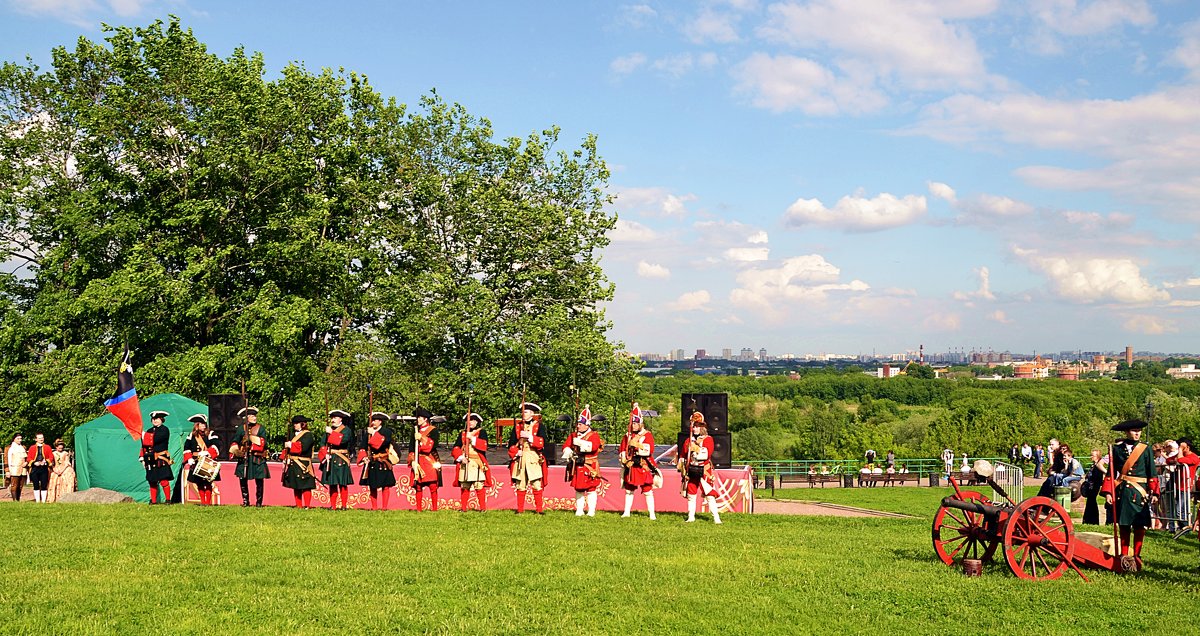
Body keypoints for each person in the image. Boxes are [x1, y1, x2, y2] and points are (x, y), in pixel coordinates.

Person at [1102, 419, 1160, 570]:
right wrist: (1109, 491)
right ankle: (1124, 558)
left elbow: (1152, 472)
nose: (1137, 433)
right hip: (1124, 491)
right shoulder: (1117, 449)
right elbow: (1110, 472)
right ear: (1127, 432)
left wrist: (1154, 492)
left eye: (1139, 431)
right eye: (1134, 430)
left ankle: (1137, 557)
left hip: (1140, 491)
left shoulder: (1145, 448)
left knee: (1140, 526)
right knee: (1124, 525)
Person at [678, 412, 721, 524]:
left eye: (697, 426)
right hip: (691, 469)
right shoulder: (688, 440)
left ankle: (716, 518)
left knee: (709, 495)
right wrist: (681, 465)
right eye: (694, 426)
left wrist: (695, 448)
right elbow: (683, 455)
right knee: (691, 494)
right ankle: (691, 516)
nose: (694, 428)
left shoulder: (708, 439)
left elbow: (705, 455)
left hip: (704, 470)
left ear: (702, 427)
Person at [562, 405, 604, 517]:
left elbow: (593, 447)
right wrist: (569, 452)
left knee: (591, 488)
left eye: (580, 424)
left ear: (587, 425)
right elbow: (566, 446)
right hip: (578, 465)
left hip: (589, 465)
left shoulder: (594, 435)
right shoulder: (574, 435)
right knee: (579, 488)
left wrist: (579, 443)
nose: (578, 426)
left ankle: (591, 511)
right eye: (578, 424)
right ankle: (579, 510)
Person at [508, 402, 548, 514]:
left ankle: (539, 510)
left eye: (525, 412)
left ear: (531, 413)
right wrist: (516, 452)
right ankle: (520, 510)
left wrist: (530, 437)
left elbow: (543, 443)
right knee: (520, 485)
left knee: (536, 484)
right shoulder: (517, 426)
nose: (523, 414)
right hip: (520, 458)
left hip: (533, 457)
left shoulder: (539, 426)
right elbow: (511, 444)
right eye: (523, 412)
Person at [619, 403, 658, 519]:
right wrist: (623, 458)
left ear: (641, 423)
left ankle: (652, 514)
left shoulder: (647, 435)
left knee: (647, 490)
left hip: (642, 465)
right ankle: (626, 512)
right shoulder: (627, 436)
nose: (634, 426)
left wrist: (636, 444)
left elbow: (649, 449)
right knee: (629, 490)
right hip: (631, 465)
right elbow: (622, 448)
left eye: (636, 423)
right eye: (632, 423)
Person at [229, 407, 270, 507]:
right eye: (252, 416)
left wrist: (252, 441)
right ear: (247, 417)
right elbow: (235, 440)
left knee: (259, 481)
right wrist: (235, 448)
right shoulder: (241, 429)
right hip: (245, 457)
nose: (254, 417)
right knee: (242, 479)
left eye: (255, 416)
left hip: (257, 457)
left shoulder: (261, 428)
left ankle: (259, 502)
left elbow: (264, 443)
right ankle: (245, 501)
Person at [452, 412, 491, 512]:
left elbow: (484, 446)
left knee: (478, 485)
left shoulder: (481, 432)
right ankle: (463, 508)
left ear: (477, 422)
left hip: (477, 462)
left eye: (473, 421)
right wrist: (460, 457)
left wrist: (473, 438)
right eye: (469, 421)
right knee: (465, 486)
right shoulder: (463, 433)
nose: (470, 423)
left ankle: (482, 508)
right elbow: (456, 447)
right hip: (465, 462)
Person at [357, 413, 396, 510]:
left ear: (380, 421)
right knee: (372, 485)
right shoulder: (368, 434)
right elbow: (362, 447)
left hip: (383, 460)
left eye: (375, 420)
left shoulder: (386, 432)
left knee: (385, 485)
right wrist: (364, 457)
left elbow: (384, 443)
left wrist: (374, 434)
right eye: (372, 420)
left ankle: (384, 507)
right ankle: (374, 507)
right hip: (372, 461)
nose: (373, 422)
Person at [320, 409, 355, 510]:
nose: (332, 420)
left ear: (340, 419)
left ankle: (344, 505)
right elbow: (323, 443)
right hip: (331, 458)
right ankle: (333, 505)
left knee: (342, 484)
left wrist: (332, 433)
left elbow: (343, 441)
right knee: (332, 483)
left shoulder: (346, 430)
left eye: (335, 418)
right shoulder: (329, 430)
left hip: (341, 458)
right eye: (332, 418)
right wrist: (325, 454)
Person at [182, 414, 221, 506]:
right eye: (201, 424)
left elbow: (217, 445)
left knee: (208, 482)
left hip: (207, 461)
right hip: (196, 461)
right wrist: (189, 458)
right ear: (197, 425)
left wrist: (208, 452)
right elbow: (187, 448)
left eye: (204, 424)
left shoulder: (211, 434)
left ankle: (208, 502)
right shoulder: (191, 435)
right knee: (199, 483)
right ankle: (203, 502)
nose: (204, 426)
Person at [408, 407, 442, 511]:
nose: (418, 419)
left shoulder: (433, 430)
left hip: (429, 459)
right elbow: (411, 447)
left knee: (432, 485)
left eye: (420, 417)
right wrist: (412, 460)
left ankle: (434, 508)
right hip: (418, 460)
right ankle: (419, 509)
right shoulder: (415, 431)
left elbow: (431, 446)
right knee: (418, 486)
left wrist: (422, 438)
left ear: (425, 419)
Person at [281, 415, 316, 509]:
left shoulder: (308, 435)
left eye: (297, 423)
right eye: (294, 423)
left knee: (305, 485)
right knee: (295, 484)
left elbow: (304, 447)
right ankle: (298, 505)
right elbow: (286, 449)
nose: (295, 425)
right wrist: (285, 458)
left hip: (303, 463)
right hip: (293, 461)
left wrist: (291, 445)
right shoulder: (291, 434)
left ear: (303, 424)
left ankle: (307, 505)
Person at [141, 411, 173, 504]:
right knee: (152, 480)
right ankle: (153, 501)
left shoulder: (164, 430)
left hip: (161, 457)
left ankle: (168, 500)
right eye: (153, 419)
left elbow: (154, 439)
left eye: (157, 419)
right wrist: (142, 458)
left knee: (164, 480)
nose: (155, 420)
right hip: (150, 458)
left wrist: (144, 435)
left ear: (161, 420)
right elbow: (144, 446)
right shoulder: (149, 431)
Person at [1081, 449, 1107, 525]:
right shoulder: (1093, 465)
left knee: (1092, 502)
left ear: (1097, 456)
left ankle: (1093, 521)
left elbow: (1098, 478)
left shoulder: (1098, 466)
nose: (1091, 457)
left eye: (1093, 455)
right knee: (1090, 503)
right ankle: (1088, 520)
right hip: (1090, 486)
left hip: (1094, 486)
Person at [26, 433, 53, 503]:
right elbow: (29, 458)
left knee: (44, 484)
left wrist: (46, 462)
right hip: (35, 468)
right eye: (39, 438)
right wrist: (34, 462)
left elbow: (51, 457)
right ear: (36, 439)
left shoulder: (48, 447)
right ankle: (37, 500)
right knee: (36, 484)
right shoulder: (32, 448)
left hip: (44, 468)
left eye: (42, 437)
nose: (41, 439)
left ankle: (43, 500)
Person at [6, 435, 25, 501]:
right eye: (18, 438)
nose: (20, 440)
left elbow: (25, 457)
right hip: (14, 469)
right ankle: (14, 500)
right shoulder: (10, 448)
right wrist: (7, 470)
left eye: (21, 438)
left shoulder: (22, 447)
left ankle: (18, 499)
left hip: (22, 469)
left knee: (20, 485)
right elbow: (8, 460)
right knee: (14, 485)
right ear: (14, 439)